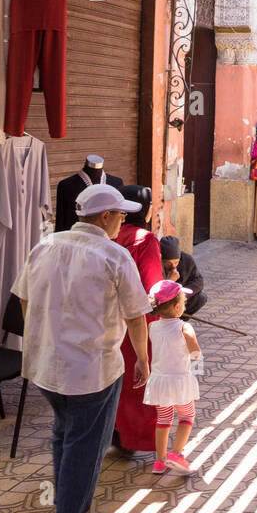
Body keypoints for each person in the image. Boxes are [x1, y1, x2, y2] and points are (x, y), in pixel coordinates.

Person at [13, 183, 150, 513]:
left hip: (46, 368)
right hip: (92, 371)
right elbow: (136, 315)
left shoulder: (45, 245)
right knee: (84, 449)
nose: (122, 222)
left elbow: (24, 300)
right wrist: (143, 359)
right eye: (120, 215)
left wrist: (41, 338)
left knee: (65, 435)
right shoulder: (113, 255)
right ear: (105, 217)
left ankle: (67, 512)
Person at [114, 185, 164, 454]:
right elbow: (152, 284)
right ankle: (132, 438)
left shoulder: (109, 235)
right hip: (136, 320)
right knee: (137, 379)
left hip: (105, 318)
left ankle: (113, 429)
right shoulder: (144, 239)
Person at [144, 279, 201, 476]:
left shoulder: (152, 327)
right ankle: (176, 454)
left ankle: (159, 461)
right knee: (186, 416)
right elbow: (195, 353)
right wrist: (197, 362)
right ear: (177, 307)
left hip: (160, 380)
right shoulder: (185, 328)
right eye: (184, 303)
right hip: (180, 380)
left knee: (163, 419)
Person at [159, 236, 206, 316]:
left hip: (182, 297)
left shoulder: (186, 259)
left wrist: (182, 295)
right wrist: (170, 281)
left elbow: (199, 281)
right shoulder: (156, 264)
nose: (173, 266)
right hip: (163, 302)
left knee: (201, 298)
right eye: (169, 263)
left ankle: (180, 321)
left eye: (176, 262)